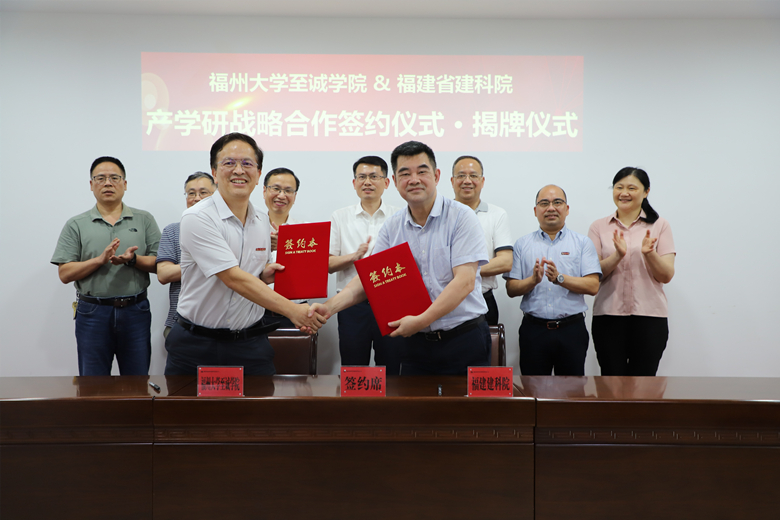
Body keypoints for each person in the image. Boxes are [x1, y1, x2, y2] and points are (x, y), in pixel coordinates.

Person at [311, 141, 491, 375]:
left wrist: (421, 320)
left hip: (464, 339)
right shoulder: (392, 226)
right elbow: (369, 279)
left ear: (436, 176)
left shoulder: (461, 217)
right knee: (411, 401)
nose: (414, 179)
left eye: (422, 171)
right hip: (415, 345)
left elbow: (464, 282)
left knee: (465, 402)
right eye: (405, 174)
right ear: (395, 182)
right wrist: (328, 308)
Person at [164, 133, 325, 375]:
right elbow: (232, 277)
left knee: (261, 401)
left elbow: (247, 276)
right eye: (229, 163)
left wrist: (263, 276)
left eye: (247, 163)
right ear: (214, 172)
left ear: (258, 174)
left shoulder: (261, 220)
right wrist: (294, 311)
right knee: (185, 402)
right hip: (197, 344)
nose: (239, 170)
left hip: (250, 343)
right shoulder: (197, 217)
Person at [51, 156, 160, 376]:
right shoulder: (76, 224)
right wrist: (99, 260)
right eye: (100, 178)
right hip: (92, 313)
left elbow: (160, 264)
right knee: (93, 383)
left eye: (114, 178)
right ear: (91, 185)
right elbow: (65, 273)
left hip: (135, 311)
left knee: (137, 381)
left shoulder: (144, 219)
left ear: (125, 184)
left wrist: (133, 260)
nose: (108, 183)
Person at [504, 185, 601, 376]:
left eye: (557, 202)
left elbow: (593, 286)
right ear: (535, 210)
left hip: (571, 330)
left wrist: (560, 278)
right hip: (534, 331)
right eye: (544, 203)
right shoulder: (522, 244)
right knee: (533, 388)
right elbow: (511, 288)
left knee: (572, 389)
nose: (551, 208)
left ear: (567, 208)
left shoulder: (582, 243)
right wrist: (532, 280)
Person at [587, 167, 676, 376]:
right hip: (608, 316)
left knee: (644, 383)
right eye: (619, 187)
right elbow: (593, 276)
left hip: (649, 317)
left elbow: (666, 275)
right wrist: (617, 256)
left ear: (646, 192)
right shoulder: (599, 227)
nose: (624, 193)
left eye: (632, 188)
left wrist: (649, 254)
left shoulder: (660, 225)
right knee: (611, 381)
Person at [329, 156, 404, 374]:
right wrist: (353, 257)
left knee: (392, 370)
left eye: (374, 177)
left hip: (390, 304)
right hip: (351, 306)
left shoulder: (400, 216)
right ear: (354, 183)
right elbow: (328, 264)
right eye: (362, 177)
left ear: (387, 182)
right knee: (353, 370)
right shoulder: (340, 217)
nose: (367, 182)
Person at [451, 155, 513, 325]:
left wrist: (462, 272)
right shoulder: (440, 215)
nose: (467, 181)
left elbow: (505, 262)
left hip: (483, 299)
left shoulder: (497, 214)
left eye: (473, 175)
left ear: (482, 181)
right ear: (452, 181)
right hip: (448, 299)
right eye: (461, 175)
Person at [156, 172, 216, 338]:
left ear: (216, 196)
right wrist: (208, 262)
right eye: (191, 193)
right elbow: (164, 274)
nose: (196, 198)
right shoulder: (173, 231)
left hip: (221, 325)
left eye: (203, 193)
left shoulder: (228, 230)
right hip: (180, 324)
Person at [262, 167, 304, 329]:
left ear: (295, 196)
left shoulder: (306, 232)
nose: (281, 195)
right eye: (276, 189)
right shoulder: (247, 228)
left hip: (296, 311)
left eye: (288, 191)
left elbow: (312, 272)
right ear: (264, 191)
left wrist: (287, 246)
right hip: (256, 311)